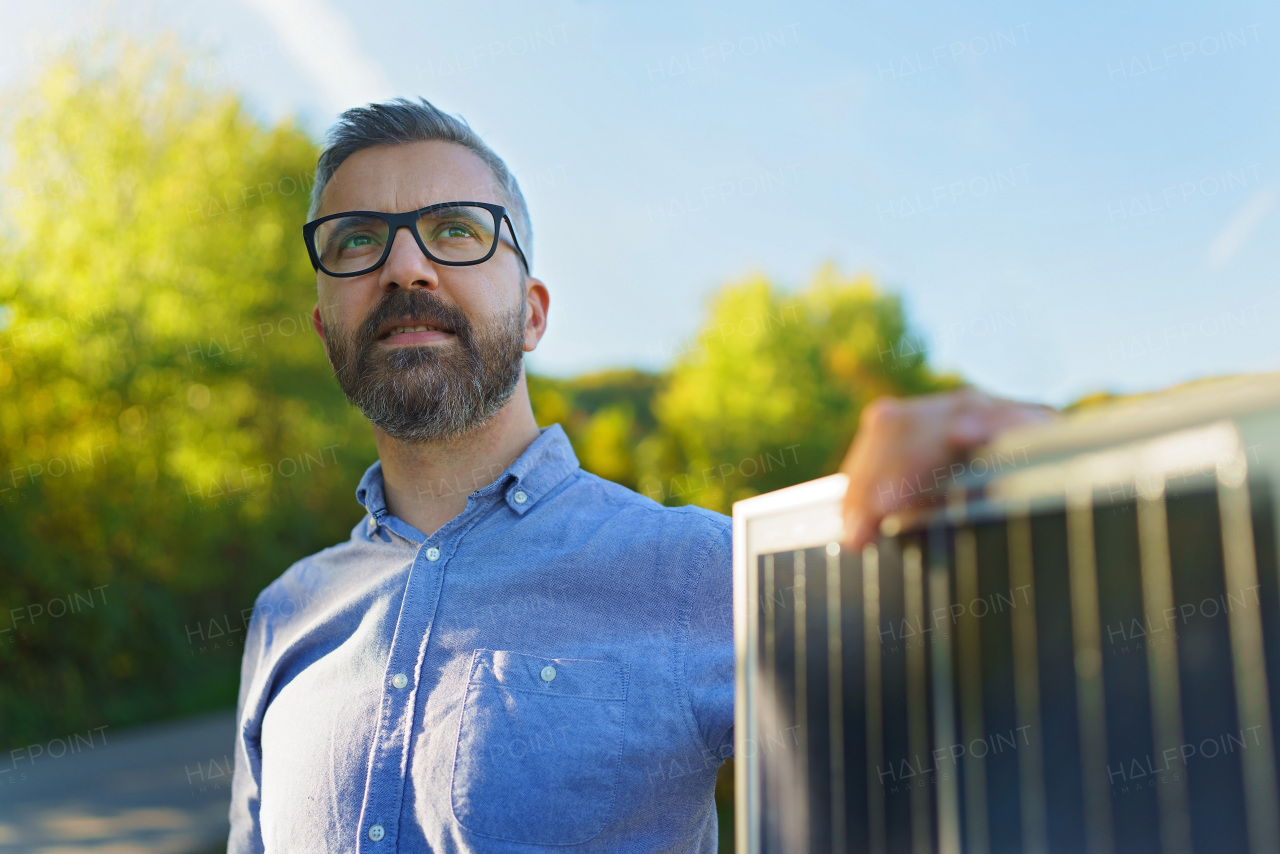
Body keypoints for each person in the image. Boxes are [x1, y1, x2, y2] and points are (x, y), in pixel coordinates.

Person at [227, 97, 1053, 853]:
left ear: (534, 314)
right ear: (323, 324)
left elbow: (1016, 740)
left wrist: (1053, 495)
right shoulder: (284, 615)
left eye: (454, 230)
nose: (406, 267)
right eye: (358, 241)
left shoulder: (708, 569)